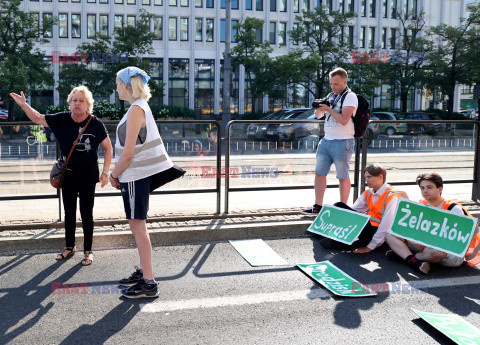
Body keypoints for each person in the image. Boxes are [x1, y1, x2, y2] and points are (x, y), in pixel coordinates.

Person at [10, 87, 113, 266]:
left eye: (81, 101)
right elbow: (38, 118)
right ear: (70, 102)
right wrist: (24, 105)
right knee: (69, 212)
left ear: (88, 104)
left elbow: (108, 148)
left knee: (87, 214)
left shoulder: (95, 123)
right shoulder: (62, 119)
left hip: (88, 175)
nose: (77, 104)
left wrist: (105, 172)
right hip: (68, 175)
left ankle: (88, 251)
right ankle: (69, 246)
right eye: (74, 100)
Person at [110, 66, 174, 299]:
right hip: (134, 176)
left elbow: (128, 153)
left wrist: (114, 175)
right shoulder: (137, 108)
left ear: (128, 86)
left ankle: (149, 282)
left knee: (138, 227)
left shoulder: (136, 109)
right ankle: (144, 272)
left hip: (135, 176)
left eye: (118, 83)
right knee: (138, 226)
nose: (116, 87)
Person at [386, 173, 480, 274]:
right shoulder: (421, 204)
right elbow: (415, 230)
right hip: (425, 246)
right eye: (422, 188)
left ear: (439, 189)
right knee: (390, 234)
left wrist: (426, 244)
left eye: (429, 187)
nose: (425, 191)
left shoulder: (453, 209)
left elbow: (460, 239)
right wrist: (413, 241)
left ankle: (407, 257)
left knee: (437, 251)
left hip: (448, 254)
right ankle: (413, 261)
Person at [302, 67, 358, 216]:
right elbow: (319, 116)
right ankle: (317, 206)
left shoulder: (350, 97)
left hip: (343, 141)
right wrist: (320, 108)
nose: (333, 87)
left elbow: (344, 120)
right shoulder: (331, 95)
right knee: (319, 174)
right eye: (331, 84)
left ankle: (342, 208)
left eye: (336, 84)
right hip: (326, 140)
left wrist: (329, 109)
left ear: (345, 82)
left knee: (342, 176)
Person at [320, 164, 408, 253]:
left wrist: (370, 247)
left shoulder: (393, 196)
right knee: (339, 205)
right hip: (369, 229)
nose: (366, 181)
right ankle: (337, 238)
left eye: (369, 177)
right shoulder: (369, 192)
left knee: (342, 246)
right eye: (365, 177)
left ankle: (339, 241)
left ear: (380, 177)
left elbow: (386, 225)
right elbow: (354, 211)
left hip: (380, 233)